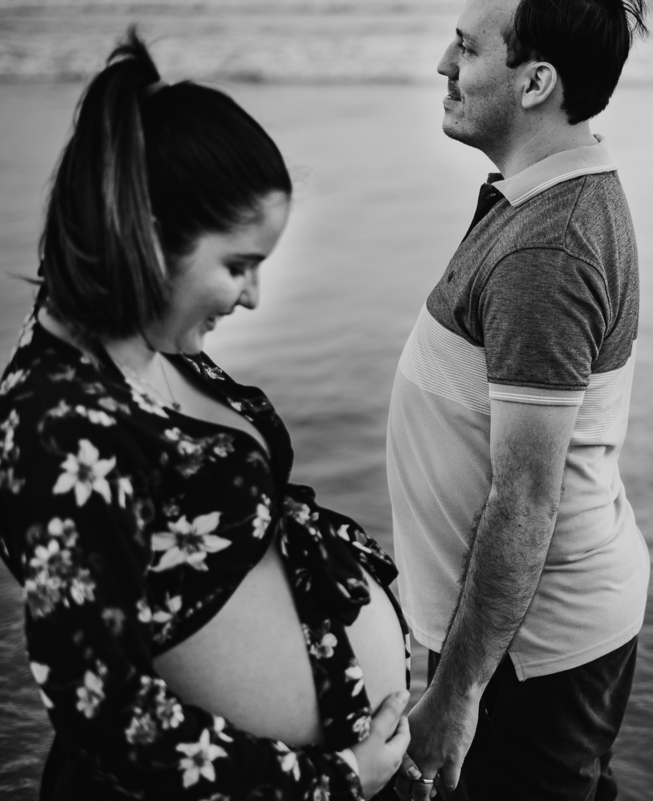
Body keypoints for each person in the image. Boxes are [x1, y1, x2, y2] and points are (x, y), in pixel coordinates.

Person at [0, 30, 412, 800]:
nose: (253, 297)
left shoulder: (138, 333)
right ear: (149, 237)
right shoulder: (63, 426)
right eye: (238, 265)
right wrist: (336, 779)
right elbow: (103, 712)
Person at [386, 0, 650, 798]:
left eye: (467, 50)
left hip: (526, 651)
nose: (443, 65)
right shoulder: (539, 201)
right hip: (515, 634)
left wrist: (458, 690)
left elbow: (527, 497)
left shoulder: (548, 249)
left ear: (536, 83)